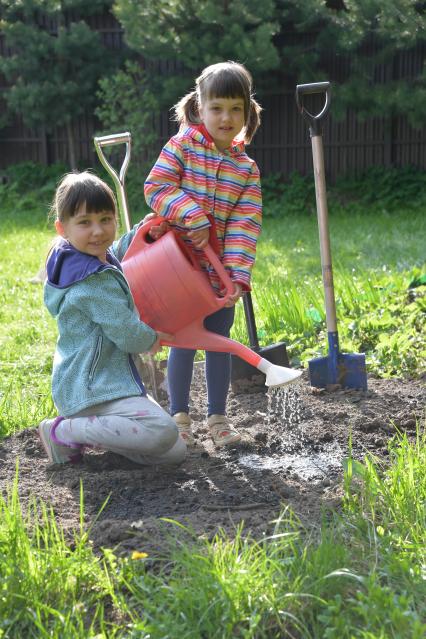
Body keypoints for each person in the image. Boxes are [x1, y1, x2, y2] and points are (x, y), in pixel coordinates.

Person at [143, 61, 263, 448]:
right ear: (199, 107)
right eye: (217, 108)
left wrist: (237, 277)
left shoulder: (245, 169)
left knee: (218, 339)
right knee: (183, 340)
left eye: (235, 109)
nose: (226, 117)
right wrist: (190, 215)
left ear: (247, 112)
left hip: (217, 278)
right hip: (175, 268)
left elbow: (245, 225)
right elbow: (157, 185)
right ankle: (180, 418)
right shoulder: (181, 147)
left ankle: (218, 419)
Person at [38, 171, 186, 466]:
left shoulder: (85, 259)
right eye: (85, 222)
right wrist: (151, 338)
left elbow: (117, 253)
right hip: (93, 388)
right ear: (62, 227)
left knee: (174, 452)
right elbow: (126, 332)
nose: (98, 231)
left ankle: (86, 440)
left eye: (106, 220)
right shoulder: (90, 283)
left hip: (103, 382)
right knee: (163, 431)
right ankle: (63, 431)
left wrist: (140, 232)